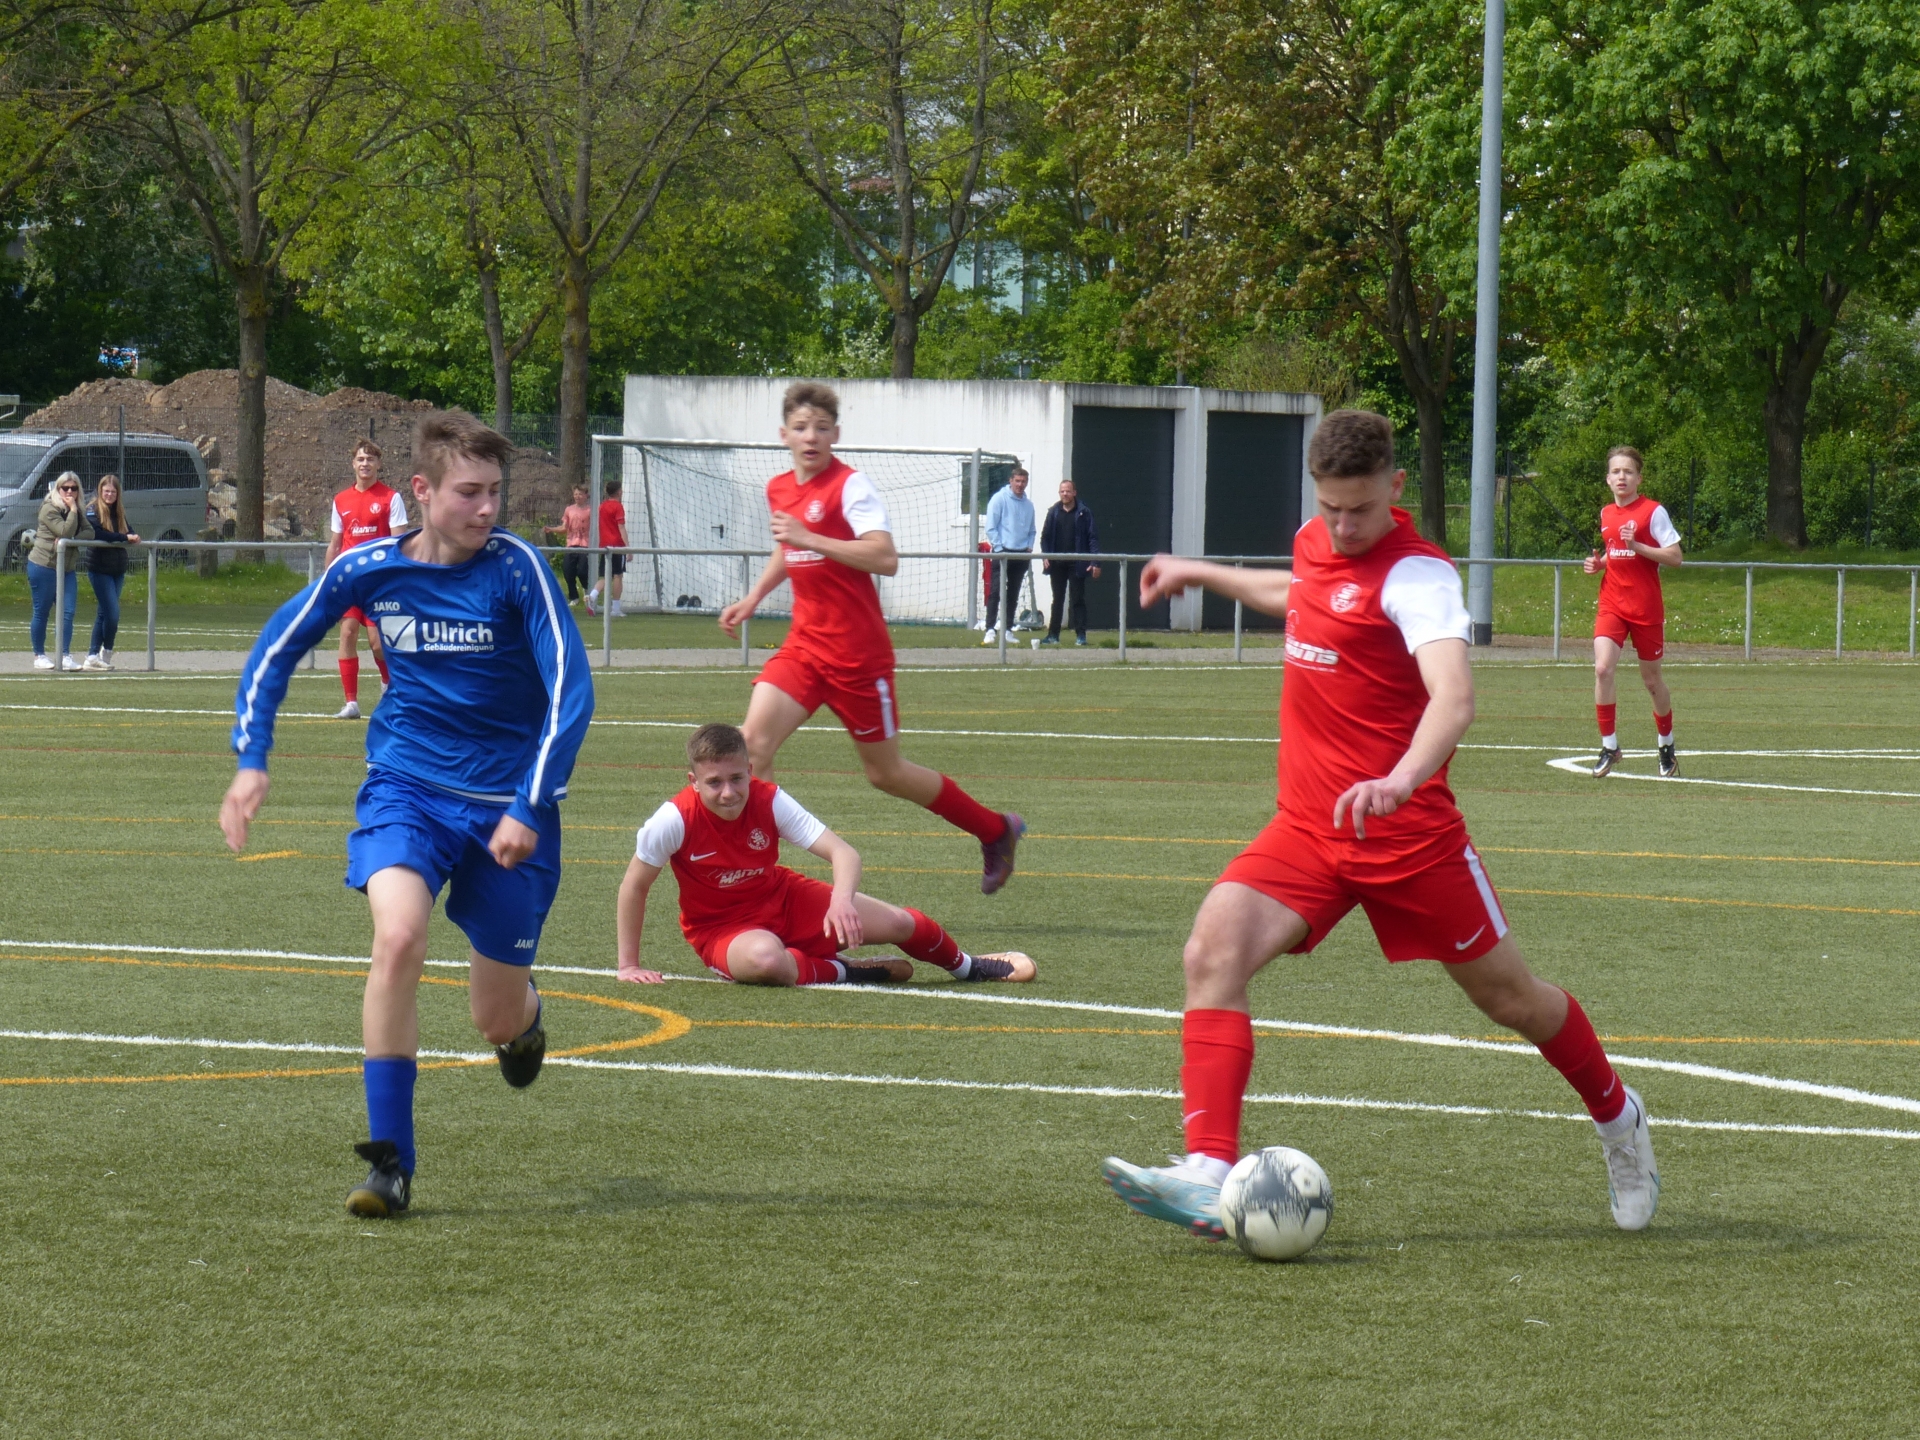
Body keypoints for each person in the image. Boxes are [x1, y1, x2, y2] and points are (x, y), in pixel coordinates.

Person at [1100, 409, 1659, 1241]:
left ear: (1394, 487)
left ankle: (1619, 1119)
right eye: (1329, 507)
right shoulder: (1314, 541)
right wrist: (1203, 572)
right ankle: (1209, 1172)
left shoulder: (1417, 577)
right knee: (1211, 950)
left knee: (1512, 999)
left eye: (1359, 509)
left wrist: (1399, 779)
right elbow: (1299, 594)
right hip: (1309, 826)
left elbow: (1454, 698)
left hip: (1409, 836)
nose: (1343, 525)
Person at [220, 411, 594, 1219]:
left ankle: (524, 1020)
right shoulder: (370, 568)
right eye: (469, 492)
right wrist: (252, 759)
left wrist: (529, 803)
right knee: (397, 938)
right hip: (406, 790)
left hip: (508, 814)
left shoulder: (519, 569)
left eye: (494, 492)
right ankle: (389, 1163)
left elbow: (573, 689)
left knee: (493, 1016)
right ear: (421, 491)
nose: (486, 508)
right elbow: (278, 645)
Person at [718, 382, 1025, 893]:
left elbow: (884, 557)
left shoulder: (851, 487)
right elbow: (789, 549)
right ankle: (757, 873)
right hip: (803, 648)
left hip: (857, 657)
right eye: (800, 428)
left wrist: (809, 536)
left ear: (836, 434)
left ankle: (995, 829)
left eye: (821, 428)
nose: (811, 437)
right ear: (784, 434)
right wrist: (754, 597)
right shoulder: (780, 489)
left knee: (886, 774)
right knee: (751, 748)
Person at [616, 723, 1037, 987]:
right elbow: (634, 887)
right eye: (714, 783)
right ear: (693, 781)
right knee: (766, 961)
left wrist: (840, 901)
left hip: (783, 898)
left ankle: (969, 967)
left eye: (737, 778)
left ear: (749, 771)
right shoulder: (672, 819)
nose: (728, 792)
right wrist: (628, 965)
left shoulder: (769, 799)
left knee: (899, 923)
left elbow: (843, 853)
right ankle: (847, 971)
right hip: (722, 929)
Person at [1582, 446, 1682, 778]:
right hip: (1612, 602)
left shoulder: (1653, 512)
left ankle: (1666, 744)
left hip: (1645, 607)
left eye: (1628, 471)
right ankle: (1609, 747)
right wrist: (1600, 564)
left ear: (1639, 478)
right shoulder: (1606, 513)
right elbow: (1614, 552)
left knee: (1652, 682)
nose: (1621, 477)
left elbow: (1675, 557)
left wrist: (1637, 545)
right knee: (1602, 669)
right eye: (1616, 472)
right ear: (1608, 479)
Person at [324, 439, 408, 720]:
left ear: (378, 464)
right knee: (347, 633)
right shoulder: (341, 500)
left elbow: (399, 543)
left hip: (379, 583)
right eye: (360, 459)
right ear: (353, 464)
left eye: (370, 459)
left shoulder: (390, 498)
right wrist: (328, 581)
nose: (365, 464)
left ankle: (387, 684)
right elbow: (336, 544)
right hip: (349, 581)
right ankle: (351, 703)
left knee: (378, 643)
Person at [27, 470, 89, 671]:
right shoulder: (49, 508)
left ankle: (64, 654)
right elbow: (64, 530)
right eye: (65, 488)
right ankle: (39, 655)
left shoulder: (77, 509)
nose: (70, 492)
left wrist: (72, 538)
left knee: (68, 612)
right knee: (42, 611)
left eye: (74, 488)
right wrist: (72, 511)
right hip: (43, 566)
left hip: (67, 569)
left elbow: (89, 532)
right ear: (58, 489)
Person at [82, 473, 140, 670]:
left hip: (117, 569)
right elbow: (98, 533)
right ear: (100, 491)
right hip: (99, 568)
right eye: (106, 491)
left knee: (103, 613)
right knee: (112, 614)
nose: (109, 495)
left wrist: (133, 536)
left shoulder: (119, 511)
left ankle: (93, 656)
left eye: (113, 492)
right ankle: (106, 651)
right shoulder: (92, 509)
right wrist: (124, 538)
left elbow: (128, 531)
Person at [1039, 477, 1100, 647]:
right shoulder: (1053, 512)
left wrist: (1095, 561)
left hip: (1077, 563)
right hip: (1057, 563)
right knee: (1057, 599)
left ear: (1074, 493)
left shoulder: (1084, 512)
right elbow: (1045, 537)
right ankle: (1053, 635)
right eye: (1062, 491)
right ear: (1059, 493)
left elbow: (1092, 538)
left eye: (1068, 491)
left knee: (1077, 599)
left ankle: (1081, 636)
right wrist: (1046, 556)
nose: (1065, 494)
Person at [982, 465, 1036, 644]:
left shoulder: (1029, 505)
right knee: (996, 591)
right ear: (1011, 481)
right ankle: (990, 629)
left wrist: (1028, 547)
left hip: (1021, 554)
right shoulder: (999, 499)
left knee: (1013, 593)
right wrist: (999, 548)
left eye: (1023, 481)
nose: (1020, 484)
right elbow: (991, 526)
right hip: (1002, 552)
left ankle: (1007, 629)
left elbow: (1032, 530)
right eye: (1017, 481)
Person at [585, 477, 626, 617]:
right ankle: (615, 609)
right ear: (619, 492)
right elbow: (621, 527)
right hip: (617, 546)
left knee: (606, 575)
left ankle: (592, 596)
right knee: (618, 576)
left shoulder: (602, 506)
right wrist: (627, 547)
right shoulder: (618, 506)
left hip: (605, 545)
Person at [545, 484, 593, 605]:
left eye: (580, 494)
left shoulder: (590, 510)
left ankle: (586, 588)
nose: (577, 496)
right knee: (568, 571)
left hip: (585, 545)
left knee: (582, 571)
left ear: (586, 495)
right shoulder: (569, 510)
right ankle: (573, 597)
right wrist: (552, 529)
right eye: (576, 494)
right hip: (571, 544)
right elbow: (564, 528)